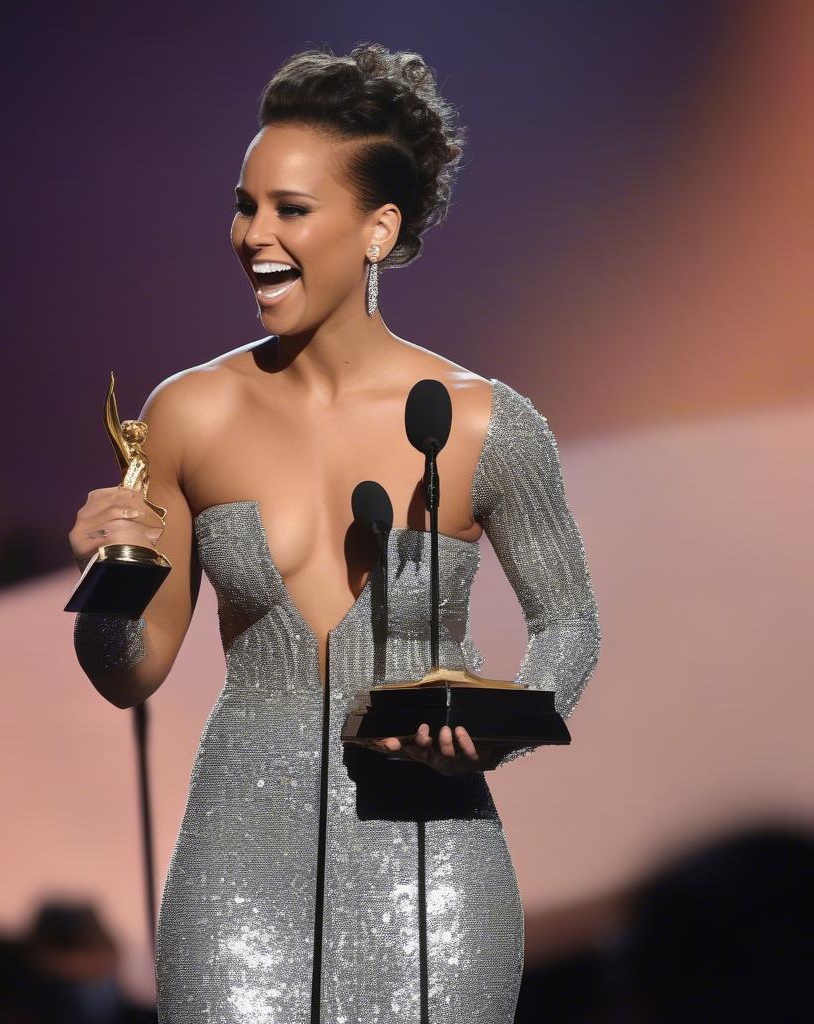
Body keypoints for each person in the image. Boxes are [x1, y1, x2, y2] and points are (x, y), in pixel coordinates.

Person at [69, 42, 601, 1024]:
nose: (252, 233)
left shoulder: (483, 422)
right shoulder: (189, 413)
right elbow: (127, 672)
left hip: (433, 867)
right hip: (239, 869)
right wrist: (116, 569)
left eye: (290, 209)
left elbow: (570, 623)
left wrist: (495, 727)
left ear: (375, 229)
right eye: (245, 204)